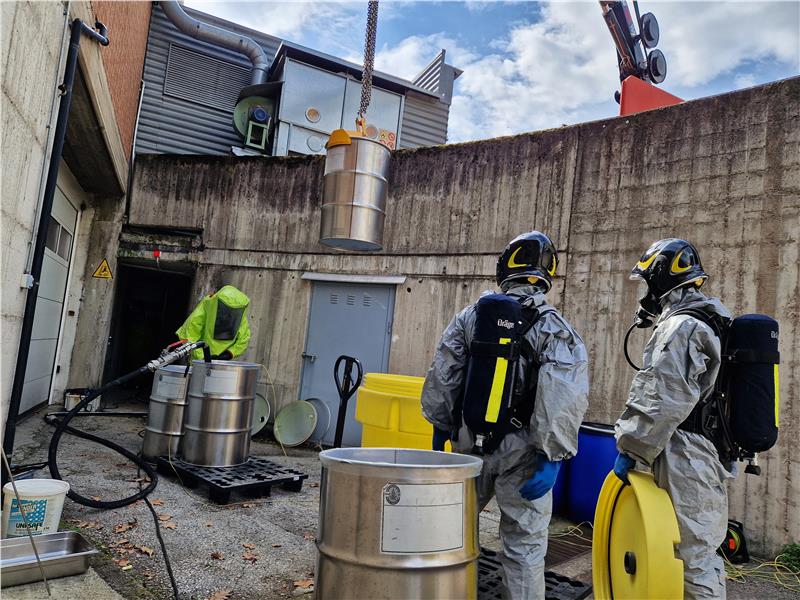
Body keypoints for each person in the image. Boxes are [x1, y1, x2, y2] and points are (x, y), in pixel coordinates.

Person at [421, 231, 589, 600]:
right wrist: (552, 455)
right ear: (547, 273)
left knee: (451, 530)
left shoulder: (470, 317)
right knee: (524, 547)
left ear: (505, 268)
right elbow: (563, 396)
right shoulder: (556, 329)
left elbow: (444, 372)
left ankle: (442, 592)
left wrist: (440, 425)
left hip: (468, 444)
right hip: (523, 453)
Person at [613, 238, 734, 599]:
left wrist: (631, 447)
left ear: (661, 280)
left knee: (692, 557)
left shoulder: (681, 327)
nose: (644, 295)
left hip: (687, 454)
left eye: (646, 283)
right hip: (701, 449)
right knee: (686, 553)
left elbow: (661, 398)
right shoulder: (714, 317)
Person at [176, 284, 251, 361]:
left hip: (221, 363)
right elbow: (190, 334)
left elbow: (243, 339)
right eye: (225, 310)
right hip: (197, 361)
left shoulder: (238, 316)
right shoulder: (208, 306)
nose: (227, 315)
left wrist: (229, 354)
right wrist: (202, 356)